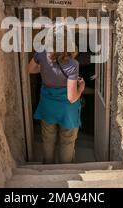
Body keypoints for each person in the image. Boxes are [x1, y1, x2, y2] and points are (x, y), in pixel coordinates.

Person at [28, 23, 85, 164]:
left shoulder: (41, 54)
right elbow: (71, 98)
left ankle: (48, 166)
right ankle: (65, 169)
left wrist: (45, 71)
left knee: (48, 138)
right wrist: (81, 88)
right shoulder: (72, 64)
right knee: (67, 140)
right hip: (67, 110)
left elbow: (30, 69)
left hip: (48, 105)